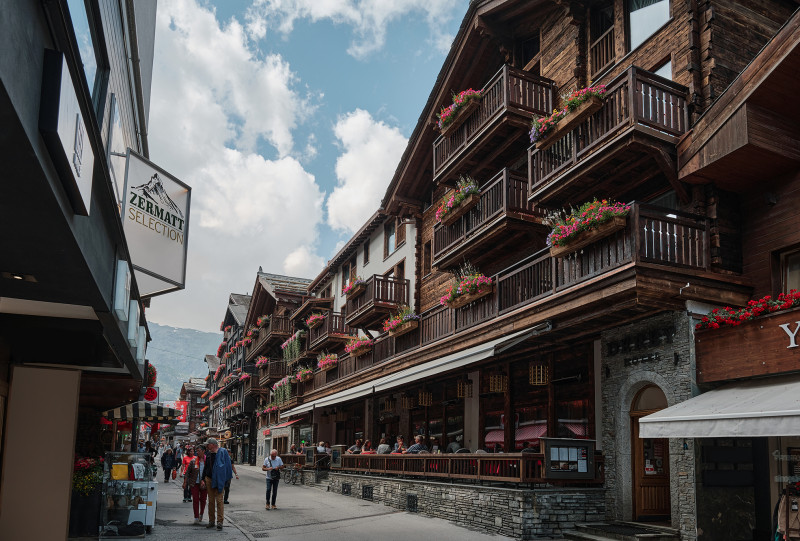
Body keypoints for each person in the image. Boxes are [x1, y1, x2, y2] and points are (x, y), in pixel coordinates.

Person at [201, 438, 236, 531]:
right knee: (211, 501)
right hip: (209, 479)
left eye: (208, 444)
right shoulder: (208, 454)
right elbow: (206, 467)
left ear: (213, 444)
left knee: (219, 501)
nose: (207, 446)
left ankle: (220, 522)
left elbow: (228, 467)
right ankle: (211, 521)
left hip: (219, 480)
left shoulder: (222, 453)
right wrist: (203, 479)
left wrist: (226, 480)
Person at [185, 446, 207, 525]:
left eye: (199, 451)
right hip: (194, 483)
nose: (197, 452)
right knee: (195, 499)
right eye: (196, 451)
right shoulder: (193, 461)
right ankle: (196, 517)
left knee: (203, 499)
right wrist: (185, 482)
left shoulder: (207, 461)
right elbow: (187, 472)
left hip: (205, 483)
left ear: (203, 451)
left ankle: (201, 513)